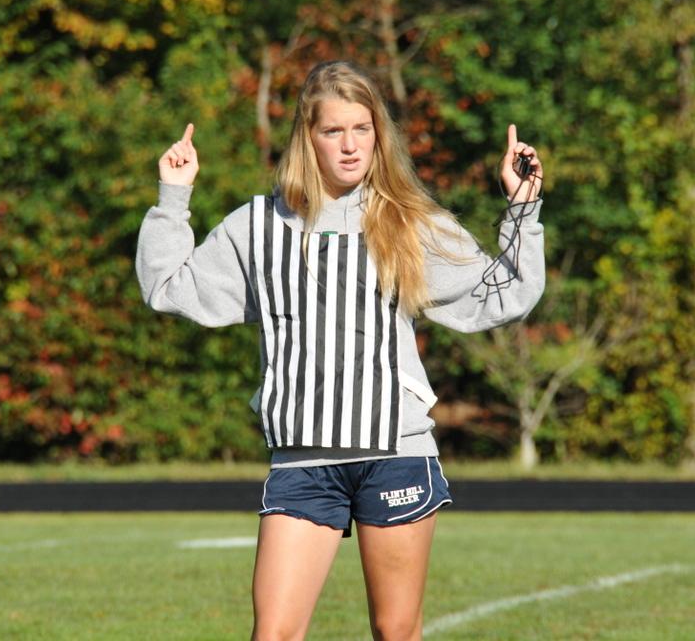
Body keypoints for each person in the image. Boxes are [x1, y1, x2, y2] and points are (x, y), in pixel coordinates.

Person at [137, 60, 545, 641]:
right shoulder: (258, 226)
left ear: (379, 135)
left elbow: (506, 292)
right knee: (273, 634)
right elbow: (169, 288)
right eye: (334, 131)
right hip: (304, 461)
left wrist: (523, 207)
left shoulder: (408, 220)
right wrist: (173, 199)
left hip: (396, 452)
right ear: (309, 137)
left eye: (362, 129)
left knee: (394, 631)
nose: (350, 146)